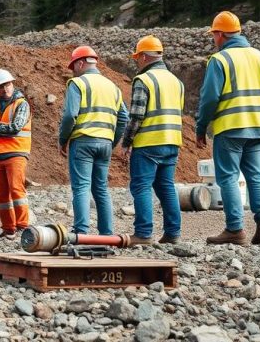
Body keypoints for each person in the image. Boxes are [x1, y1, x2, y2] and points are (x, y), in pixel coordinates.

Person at [196, 11, 260, 246]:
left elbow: (209, 99)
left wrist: (201, 127)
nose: (213, 39)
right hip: (258, 127)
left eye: (214, 34)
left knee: (227, 177)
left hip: (231, 128)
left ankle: (235, 229)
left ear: (220, 34)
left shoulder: (220, 60)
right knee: (256, 176)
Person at [58, 46, 129, 236]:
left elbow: (69, 116)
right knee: (101, 189)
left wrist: (63, 139)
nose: (73, 72)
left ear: (81, 63)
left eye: (74, 67)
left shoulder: (78, 83)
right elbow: (123, 117)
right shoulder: (112, 86)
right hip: (105, 143)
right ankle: (107, 235)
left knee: (81, 187)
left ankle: (81, 232)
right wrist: (111, 141)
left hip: (82, 141)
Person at [119, 35, 183, 245]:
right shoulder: (176, 81)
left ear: (145, 56)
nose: (136, 61)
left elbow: (137, 115)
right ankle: (173, 233)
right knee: (166, 187)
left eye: (137, 57)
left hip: (148, 143)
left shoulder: (144, 80)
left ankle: (143, 234)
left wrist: (127, 142)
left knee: (141, 186)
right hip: (172, 141)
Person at [0, 69, 32, 239]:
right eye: (1, 86)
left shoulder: (22, 104)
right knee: (0, 194)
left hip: (16, 153)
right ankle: (9, 228)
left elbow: (15, 128)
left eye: (7, 84)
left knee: (17, 190)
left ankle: (23, 227)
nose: (5, 88)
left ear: (12, 83)